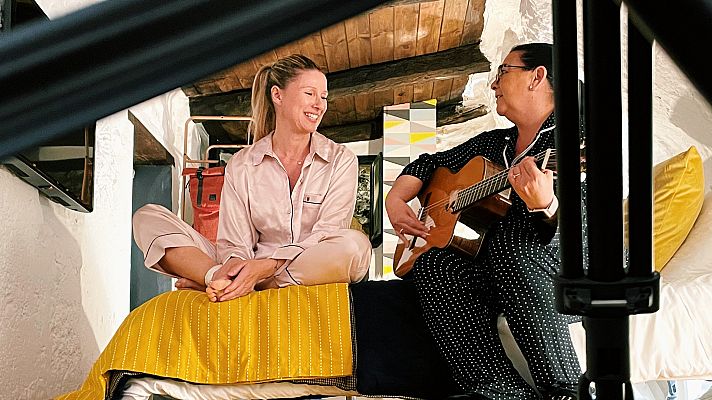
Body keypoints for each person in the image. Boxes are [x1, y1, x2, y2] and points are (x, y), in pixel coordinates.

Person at [385, 43, 580, 399]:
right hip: (506, 274)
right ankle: (500, 392)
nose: (493, 84)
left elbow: (588, 231)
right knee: (432, 265)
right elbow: (430, 163)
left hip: (569, 269)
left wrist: (547, 206)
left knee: (509, 243)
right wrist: (396, 200)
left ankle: (567, 390)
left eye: (502, 72)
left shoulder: (577, 140)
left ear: (537, 78)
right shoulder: (496, 144)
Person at [133, 54, 372, 302]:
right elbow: (235, 242)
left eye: (323, 97)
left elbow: (327, 232)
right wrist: (234, 267)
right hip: (247, 264)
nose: (319, 105)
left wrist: (266, 268)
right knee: (147, 218)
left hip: (306, 265)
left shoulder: (341, 160)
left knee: (355, 247)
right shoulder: (243, 164)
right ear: (278, 95)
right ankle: (216, 276)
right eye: (310, 93)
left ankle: (247, 284)